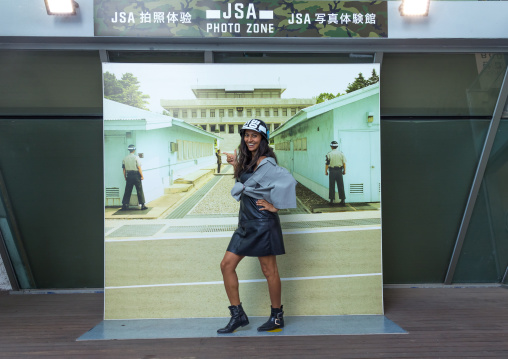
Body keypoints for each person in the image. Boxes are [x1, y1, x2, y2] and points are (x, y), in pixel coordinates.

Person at [217, 119, 297, 334]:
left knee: (268, 270)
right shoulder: (250, 160)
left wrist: (275, 207)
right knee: (226, 265)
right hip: (245, 222)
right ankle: (238, 315)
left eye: (254, 135)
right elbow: (249, 184)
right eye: (246, 135)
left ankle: (277, 316)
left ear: (262, 138)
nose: (249, 139)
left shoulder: (266, 161)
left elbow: (287, 181)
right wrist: (237, 165)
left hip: (262, 222)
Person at [121, 144, 148, 210]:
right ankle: (142, 205)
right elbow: (139, 167)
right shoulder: (136, 157)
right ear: (134, 150)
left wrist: (125, 177)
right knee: (139, 190)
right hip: (136, 175)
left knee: (127, 190)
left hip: (129, 175)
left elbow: (124, 169)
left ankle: (124, 204)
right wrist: (142, 176)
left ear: (129, 150)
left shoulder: (125, 158)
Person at [325, 140, 347, 206]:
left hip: (332, 171)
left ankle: (331, 200)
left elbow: (327, 164)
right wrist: (344, 171)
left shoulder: (329, 154)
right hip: (339, 171)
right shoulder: (341, 153)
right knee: (340, 185)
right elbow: (344, 163)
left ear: (331, 146)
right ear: (337, 146)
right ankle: (343, 200)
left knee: (332, 185)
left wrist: (326, 171)